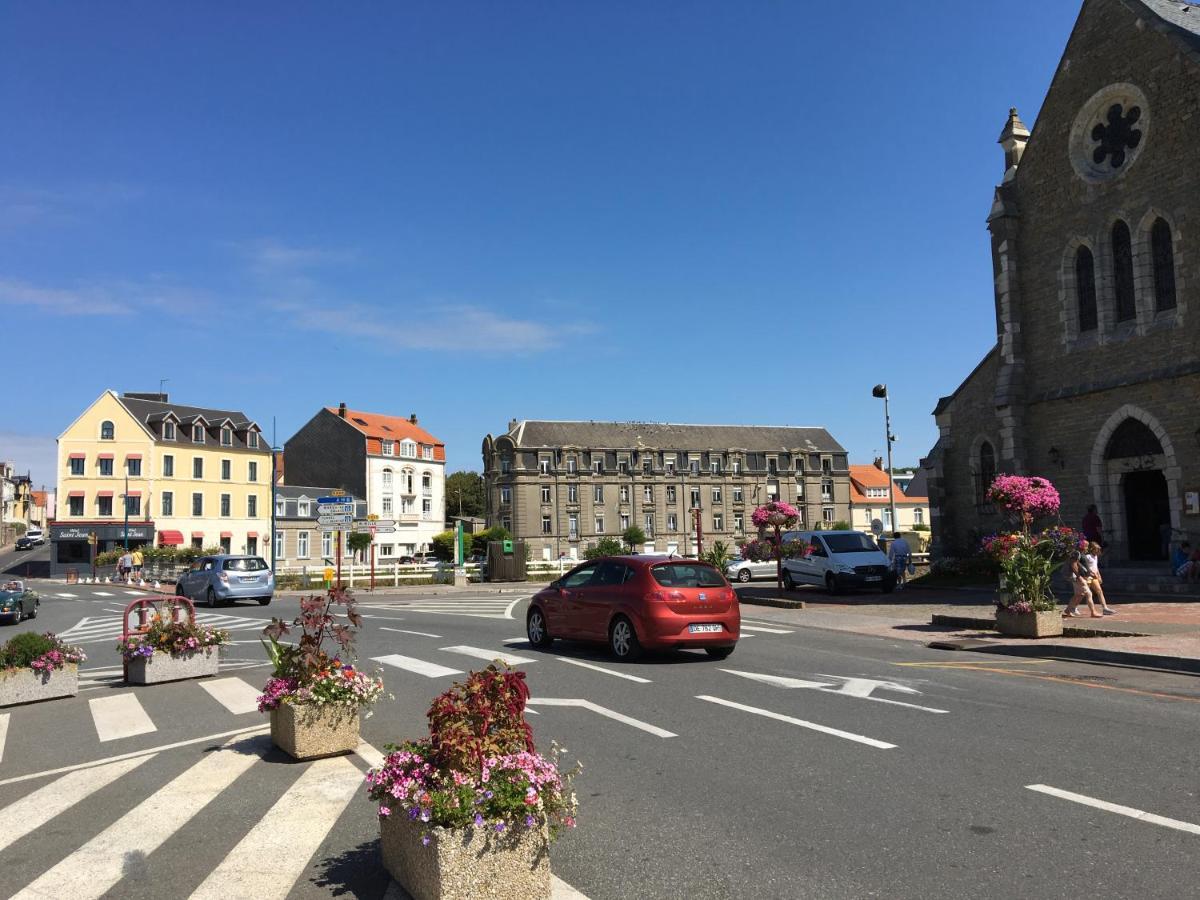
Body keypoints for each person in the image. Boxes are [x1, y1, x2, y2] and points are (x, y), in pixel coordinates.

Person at [1063, 550, 1100, 618]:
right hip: (1078, 578)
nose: (1087, 548)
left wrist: (1090, 573)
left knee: (1077, 595)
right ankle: (1093, 612)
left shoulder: (1080, 554)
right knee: (1089, 594)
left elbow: (1081, 565)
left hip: (1079, 578)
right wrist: (1079, 577)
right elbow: (1073, 565)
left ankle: (1068, 610)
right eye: (1086, 546)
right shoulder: (1076, 553)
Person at [1082, 541, 1115, 615]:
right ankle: (1074, 607)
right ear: (1092, 549)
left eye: (1098, 549)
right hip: (1088, 577)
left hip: (1095, 577)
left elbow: (1095, 567)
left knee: (1099, 591)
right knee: (1084, 593)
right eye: (1096, 549)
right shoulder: (1088, 557)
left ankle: (1105, 608)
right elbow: (1085, 567)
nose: (1098, 551)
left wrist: (1099, 575)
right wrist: (1090, 573)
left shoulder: (1095, 556)